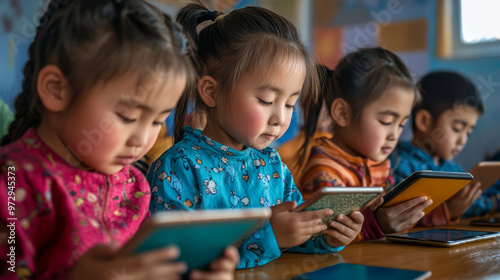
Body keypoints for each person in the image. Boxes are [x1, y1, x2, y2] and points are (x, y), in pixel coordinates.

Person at [0, 1, 238, 279]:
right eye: (127, 116)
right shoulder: (12, 181)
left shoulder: (133, 185)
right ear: (56, 90)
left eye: (157, 121)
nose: (142, 140)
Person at [148, 3, 364, 269]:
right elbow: (176, 261)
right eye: (266, 100)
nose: (280, 119)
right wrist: (270, 238)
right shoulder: (177, 169)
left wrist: (328, 236)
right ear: (211, 92)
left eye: (289, 104)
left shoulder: (272, 166)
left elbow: (295, 236)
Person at [299, 47, 432, 241]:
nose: (395, 135)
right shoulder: (325, 171)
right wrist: (376, 225)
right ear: (343, 114)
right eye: (386, 121)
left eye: (402, 124)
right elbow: (321, 241)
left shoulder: (380, 164)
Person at [391, 71, 498, 223]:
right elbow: (403, 220)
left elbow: (472, 202)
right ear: (424, 121)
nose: (462, 140)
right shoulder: (401, 165)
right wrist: (449, 211)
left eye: (468, 132)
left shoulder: (452, 168)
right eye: (456, 128)